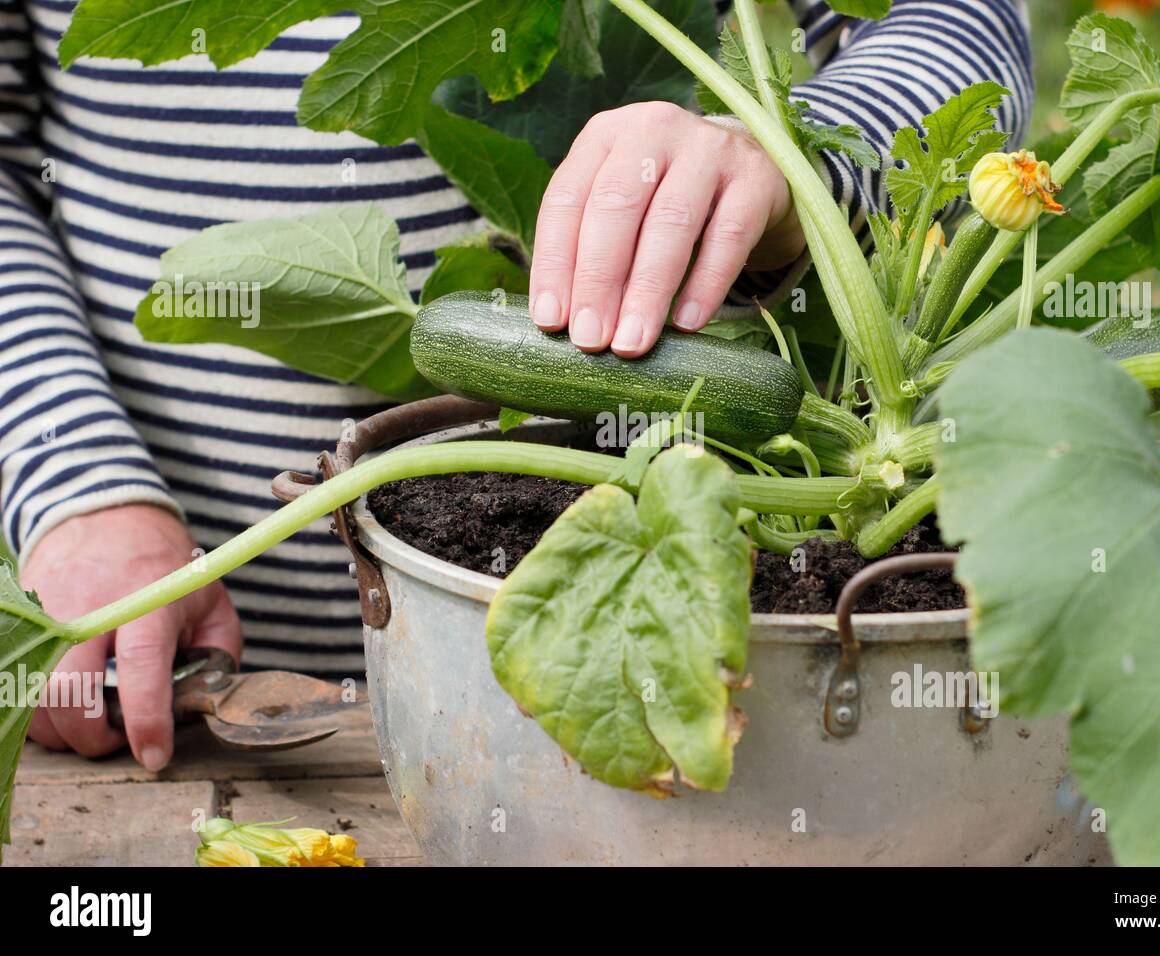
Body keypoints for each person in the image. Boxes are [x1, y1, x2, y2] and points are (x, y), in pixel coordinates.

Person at [0, 0, 1032, 770]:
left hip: (723, 715)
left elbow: (958, 19)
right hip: (178, 701)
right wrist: (74, 483)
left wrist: (790, 150)